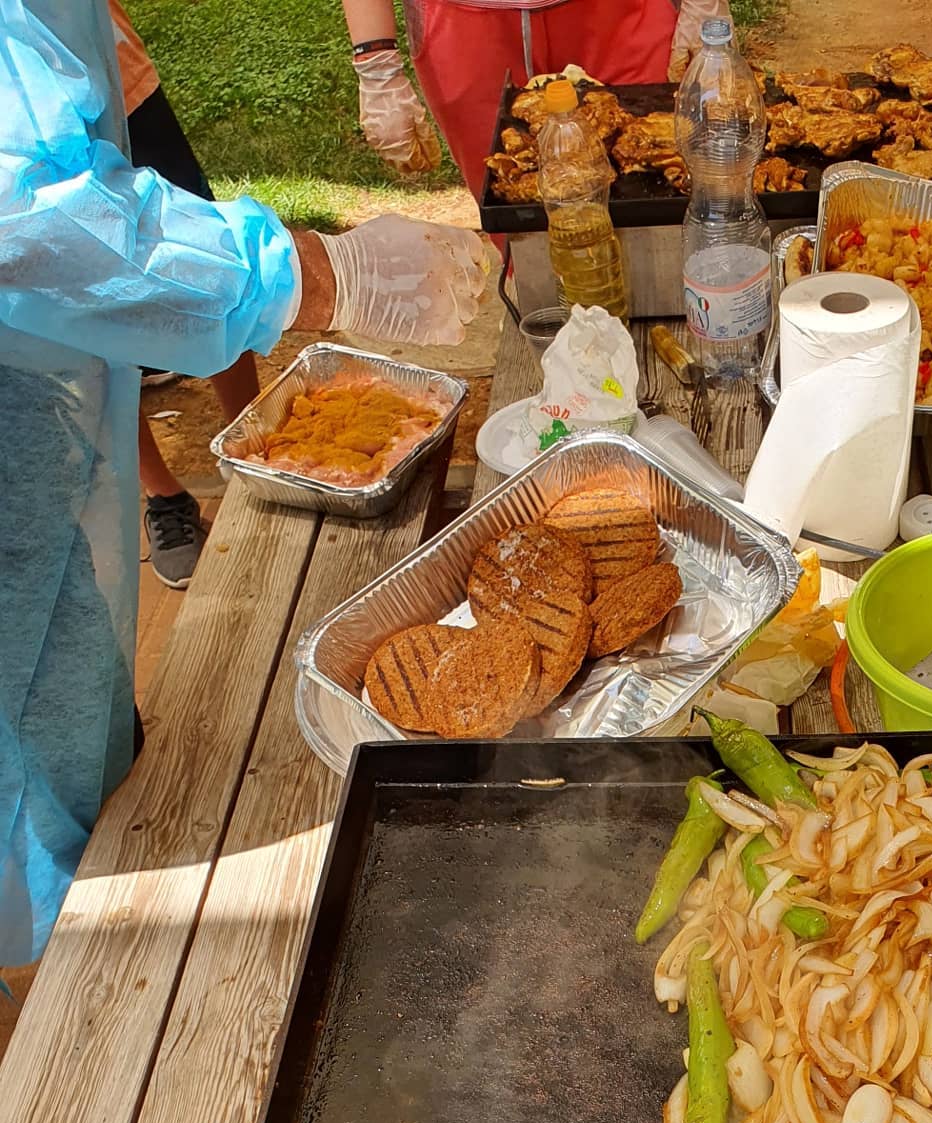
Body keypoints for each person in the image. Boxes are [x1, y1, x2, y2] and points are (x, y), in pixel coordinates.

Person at [0, 0, 489, 969]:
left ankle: (77, 917)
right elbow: (29, 218)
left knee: (68, 716)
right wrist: (309, 276)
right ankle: (69, 976)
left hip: (34, 409)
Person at [111, 0, 260, 587]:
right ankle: (165, 496)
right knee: (79, 313)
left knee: (204, 266)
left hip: (116, 85)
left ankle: (258, 446)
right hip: (15, 144)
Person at [341, 0, 733, 199]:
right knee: (514, 203)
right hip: (463, 25)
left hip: (621, 15)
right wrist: (377, 64)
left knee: (656, 192)